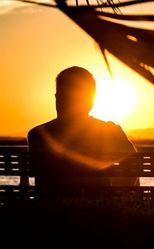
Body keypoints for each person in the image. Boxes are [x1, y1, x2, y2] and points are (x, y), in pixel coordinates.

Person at [28, 66, 138, 197]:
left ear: (58, 97)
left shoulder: (37, 134)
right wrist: (117, 195)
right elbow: (135, 164)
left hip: (49, 210)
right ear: (91, 100)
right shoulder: (110, 132)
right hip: (98, 207)